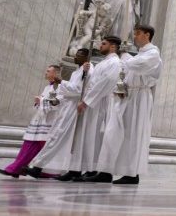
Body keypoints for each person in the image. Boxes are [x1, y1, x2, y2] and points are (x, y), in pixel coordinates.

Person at [88, 25, 162, 185]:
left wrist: (125, 57)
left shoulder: (153, 53)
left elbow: (137, 65)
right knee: (112, 132)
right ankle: (106, 171)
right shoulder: (140, 54)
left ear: (147, 35)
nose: (135, 36)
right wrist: (120, 87)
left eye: (138, 34)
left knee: (132, 135)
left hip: (139, 98)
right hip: (127, 96)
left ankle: (131, 173)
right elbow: (126, 73)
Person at [26, 50, 91, 180]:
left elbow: (79, 90)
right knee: (56, 137)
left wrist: (61, 82)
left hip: (74, 109)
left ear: (86, 57)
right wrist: (58, 99)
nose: (75, 57)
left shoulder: (88, 70)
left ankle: (39, 168)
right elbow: (68, 91)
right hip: (67, 107)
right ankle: (45, 168)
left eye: (78, 55)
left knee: (57, 137)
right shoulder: (76, 72)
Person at [0, 65, 62, 178]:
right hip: (40, 121)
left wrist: (41, 100)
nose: (45, 73)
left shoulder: (59, 87)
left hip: (47, 123)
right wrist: (39, 102)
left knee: (34, 148)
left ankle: (17, 169)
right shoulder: (48, 87)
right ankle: (18, 168)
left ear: (55, 74)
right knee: (28, 146)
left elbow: (57, 104)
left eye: (48, 71)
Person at [72, 36, 122, 181]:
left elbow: (105, 83)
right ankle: (90, 168)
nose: (100, 46)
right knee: (90, 136)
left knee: (97, 136)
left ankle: (96, 169)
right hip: (93, 102)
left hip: (101, 103)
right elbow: (93, 82)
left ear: (113, 47)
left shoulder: (115, 62)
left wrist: (87, 101)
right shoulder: (103, 63)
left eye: (104, 44)